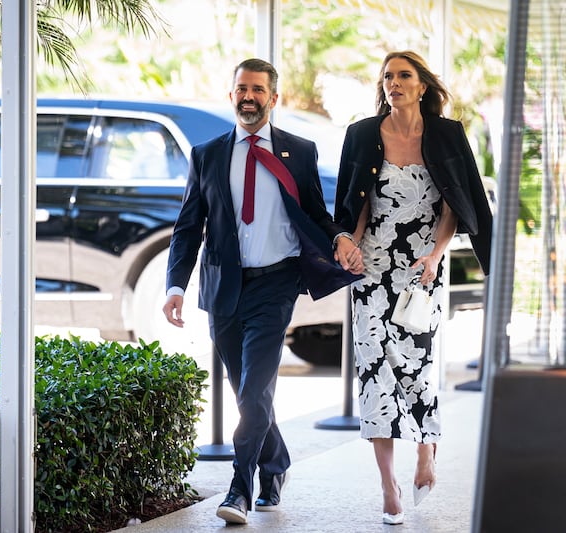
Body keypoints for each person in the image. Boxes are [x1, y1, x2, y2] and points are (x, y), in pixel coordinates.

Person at [162, 58, 363, 525]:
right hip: (224, 289)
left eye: (257, 90)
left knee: (254, 394)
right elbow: (188, 227)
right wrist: (175, 284)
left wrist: (339, 237)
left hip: (276, 285)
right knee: (247, 393)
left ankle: (239, 489)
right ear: (231, 95)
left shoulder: (300, 151)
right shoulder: (207, 154)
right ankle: (276, 464)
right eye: (241, 89)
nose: (248, 97)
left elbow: (315, 212)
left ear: (274, 98)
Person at [333, 51, 493, 525]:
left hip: (422, 267)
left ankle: (426, 454)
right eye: (388, 77)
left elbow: (457, 202)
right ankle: (388, 486)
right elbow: (352, 200)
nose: (394, 83)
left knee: (417, 367)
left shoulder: (446, 134)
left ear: (423, 85)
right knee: (374, 373)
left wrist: (436, 253)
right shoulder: (361, 133)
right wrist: (349, 244)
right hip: (371, 268)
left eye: (404, 76)